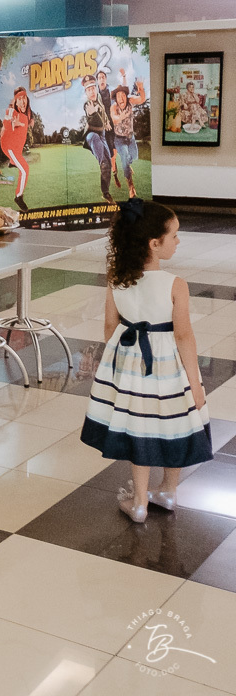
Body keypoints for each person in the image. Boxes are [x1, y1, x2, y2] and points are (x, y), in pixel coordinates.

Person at [80, 200, 212, 523]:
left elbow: (110, 327)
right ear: (154, 243)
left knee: (139, 425)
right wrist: (195, 385)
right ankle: (168, 490)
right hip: (169, 368)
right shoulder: (175, 284)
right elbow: (184, 336)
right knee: (173, 422)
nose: (178, 241)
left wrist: (117, 366)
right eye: (174, 236)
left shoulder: (117, 277)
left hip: (130, 366)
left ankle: (139, 502)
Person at [110, 70, 147, 200]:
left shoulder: (130, 101)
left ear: (126, 96)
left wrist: (141, 89)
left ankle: (128, 165)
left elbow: (142, 99)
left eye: (123, 95)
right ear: (116, 98)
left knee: (134, 157)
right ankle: (131, 186)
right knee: (125, 158)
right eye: (118, 96)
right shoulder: (114, 107)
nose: (121, 98)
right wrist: (121, 117)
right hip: (119, 139)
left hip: (131, 138)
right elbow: (114, 119)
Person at [0, 86, 34, 211]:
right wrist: (12, 124)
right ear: (15, 101)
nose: (22, 101)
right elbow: (6, 122)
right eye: (19, 99)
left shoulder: (26, 113)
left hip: (16, 147)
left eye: (24, 98)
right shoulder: (11, 111)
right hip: (9, 146)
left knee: (17, 158)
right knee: (25, 169)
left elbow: (29, 120)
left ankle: (12, 162)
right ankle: (18, 196)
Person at [95, 70, 121, 189]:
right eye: (99, 78)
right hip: (104, 129)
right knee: (110, 154)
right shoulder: (96, 95)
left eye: (103, 77)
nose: (101, 79)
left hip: (114, 125)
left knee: (115, 151)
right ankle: (114, 174)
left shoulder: (112, 93)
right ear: (97, 81)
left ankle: (117, 169)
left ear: (105, 79)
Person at [84, 112, 115, 204]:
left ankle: (106, 193)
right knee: (104, 163)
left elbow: (104, 115)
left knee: (108, 164)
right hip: (93, 134)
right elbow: (90, 115)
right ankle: (105, 193)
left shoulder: (101, 104)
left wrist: (107, 122)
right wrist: (93, 113)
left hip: (102, 135)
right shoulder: (89, 105)